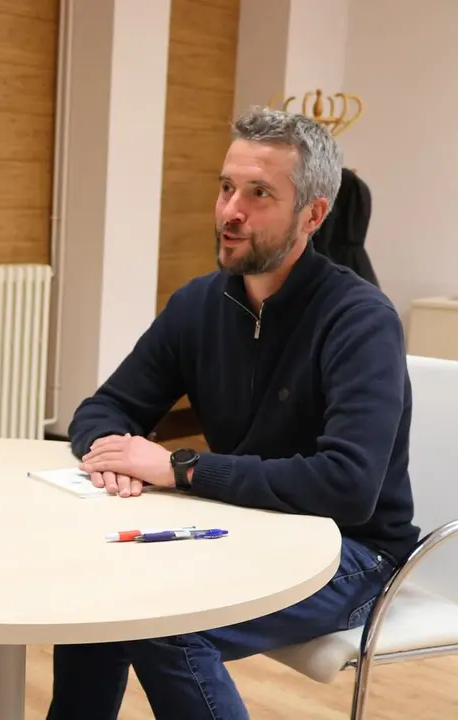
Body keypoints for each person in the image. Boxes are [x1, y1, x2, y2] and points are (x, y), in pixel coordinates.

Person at [46, 107, 420, 720]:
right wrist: (112, 453)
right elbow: (106, 407)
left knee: (168, 624)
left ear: (314, 214)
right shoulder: (199, 303)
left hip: (353, 554)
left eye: (259, 193)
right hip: (246, 524)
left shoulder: (359, 320)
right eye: (225, 188)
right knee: (100, 596)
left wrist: (182, 469)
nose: (230, 212)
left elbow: (348, 488)